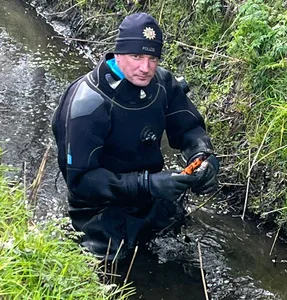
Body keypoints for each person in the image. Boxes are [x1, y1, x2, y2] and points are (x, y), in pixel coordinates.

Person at [51, 12, 219, 260]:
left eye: (152, 58)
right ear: (118, 54)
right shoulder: (89, 103)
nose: (145, 67)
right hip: (99, 212)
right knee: (110, 273)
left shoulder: (162, 84)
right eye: (136, 56)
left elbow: (189, 128)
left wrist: (203, 156)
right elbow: (81, 182)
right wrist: (147, 183)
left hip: (151, 200)